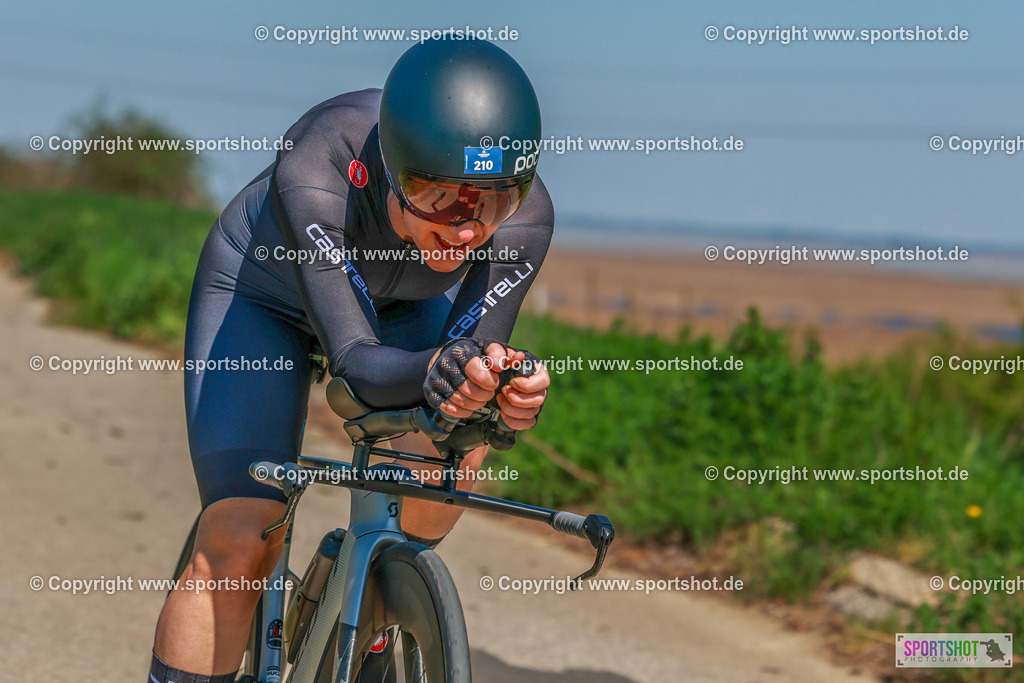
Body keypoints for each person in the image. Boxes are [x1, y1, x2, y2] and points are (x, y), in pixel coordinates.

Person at [147, 38, 553, 682]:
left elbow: (470, 364)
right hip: (263, 300)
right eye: (437, 195)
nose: (465, 229)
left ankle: (371, 594)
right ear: (389, 167)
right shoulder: (322, 154)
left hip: (399, 311)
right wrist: (439, 371)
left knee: (455, 461)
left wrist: (498, 390)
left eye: (493, 200)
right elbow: (357, 364)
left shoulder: (527, 219)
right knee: (241, 539)